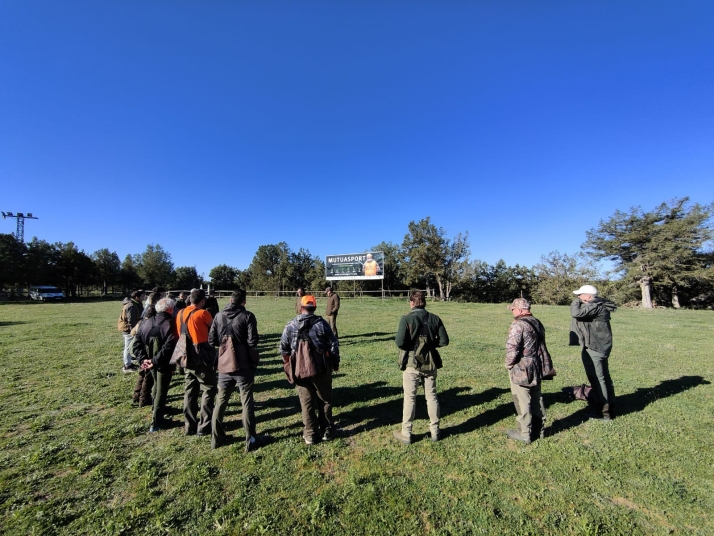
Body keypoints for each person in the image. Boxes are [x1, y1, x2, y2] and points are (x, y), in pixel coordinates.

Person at [209, 289, 265, 452]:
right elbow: (253, 340)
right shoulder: (247, 316)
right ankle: (251, 438)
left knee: (220, 402)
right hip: (243, 365)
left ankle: (216, 438)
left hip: (224, 365)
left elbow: (211, 339)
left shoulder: (218, 316)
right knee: (246, 402)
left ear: (230, 299)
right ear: (244, 301)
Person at [280, 295, 340, 444]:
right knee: (325, 400)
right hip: (321, 368)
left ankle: (310, 434)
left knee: (306, 403)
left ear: (301, 307)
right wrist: (335, 362)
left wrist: (289, 366)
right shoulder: (322, 324)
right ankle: (327, 430)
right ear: (314, 307)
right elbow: (333, 345)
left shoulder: (290, 325)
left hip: (300, 370)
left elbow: (284, 350)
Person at [393, 290, 449, 444]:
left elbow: (399, 342)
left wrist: (412, 347)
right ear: (424, 302)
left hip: (411, 364)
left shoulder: (406, 319)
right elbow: (444, 341)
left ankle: (406, 433)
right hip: (430, 363)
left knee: (410, 398)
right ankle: (435, 431)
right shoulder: (435, 318)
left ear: (411, 303)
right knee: (431, 396)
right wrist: (429, 345)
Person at [505, 298, 555, 444]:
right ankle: (539, 430)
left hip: (522, 365)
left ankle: (524, 432)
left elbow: (512, 348)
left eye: (513, 309)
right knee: (536, 396)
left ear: (520, 310)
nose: (512, 312)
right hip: (537, 363)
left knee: (522, 398)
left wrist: (508, 364)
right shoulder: (537, 322)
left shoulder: (518, 325)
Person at [570, 284, 617, 420]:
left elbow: (576, 313)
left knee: (599, 379)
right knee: (600, 378)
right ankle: (604, 405)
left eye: (580, 295)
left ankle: (605, 412)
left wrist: (575, 302)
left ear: (588, 296)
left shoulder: (596, 307)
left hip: (596, 347)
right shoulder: (594, 305)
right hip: (593, 345)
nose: (578, 297)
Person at [133, 297, 178, 432]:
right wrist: (153, 361)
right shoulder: (171, 324)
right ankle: (157, 421)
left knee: (155, 387)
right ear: (170, 309)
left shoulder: (145, 323)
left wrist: (143, 360)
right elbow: (168, 347)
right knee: (161, 390)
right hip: (163, 363)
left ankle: (158, 408)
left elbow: (136, 344)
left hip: (150, 362)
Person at [176, 289, 217, 436]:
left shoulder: (180, 313)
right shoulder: (203, 313)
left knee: (190, 390)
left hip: (184, 353)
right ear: (202, 301)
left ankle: (189, 425)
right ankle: (205, 425)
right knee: (209, 388)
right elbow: (214, 330)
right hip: (201, 352)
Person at [118, 289, 145, 373]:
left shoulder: (135, 304)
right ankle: (127, 366)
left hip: (131, 328)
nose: (144, 297)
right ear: (137, 297)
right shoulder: (131, 305)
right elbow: (131, 320)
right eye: (142, 296)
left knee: (130, 347)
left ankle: (129, 363)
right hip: (128, 329)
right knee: (128, 347)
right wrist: (133, 331)